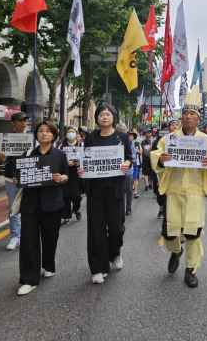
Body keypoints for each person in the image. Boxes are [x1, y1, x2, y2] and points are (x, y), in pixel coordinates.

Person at [151, 86, 207, 288]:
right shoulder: (169, 139)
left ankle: (191, 269)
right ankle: (176, 251)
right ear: (181, 117)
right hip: (174, 191)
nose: (188, 117)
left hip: (195, 193)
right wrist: (161, 159)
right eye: (185, 113)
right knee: (169, 232)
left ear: (198, 118)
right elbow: (156, 155)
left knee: (193, 232)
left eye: (192, 114)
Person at [76, 104, 132, 284]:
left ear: (113, 117)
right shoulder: (91, 137)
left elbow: (129, 157)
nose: (105, 117)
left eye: (108, 114)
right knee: (95, 229)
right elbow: (86, 159)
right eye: (101, 114)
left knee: (116, 228)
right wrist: (82, 170)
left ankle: (114, 252)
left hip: (115, 189)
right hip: (96, 190)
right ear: (97, 118)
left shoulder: (122, 137)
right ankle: (98, 268)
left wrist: (127, 164)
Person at [15, 121, 69, 296]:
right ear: (36, 135)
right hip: (30, 204)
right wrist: (17, 181)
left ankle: (48, 264)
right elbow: (18, 176)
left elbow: (67, 174)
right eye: (40, 131)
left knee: (50, 238)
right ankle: (28, 279)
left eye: (48, 131)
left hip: (52, 204)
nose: (44, 134)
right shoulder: (27, 154)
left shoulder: (60, 155)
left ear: (54, 135)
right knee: (28, 240)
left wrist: (62, 178)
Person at [0, 111, 30, 251]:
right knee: (13, 208)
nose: (23, 123)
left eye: (25, 120)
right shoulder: (7, 138)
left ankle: (28, 236)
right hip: (11, 177)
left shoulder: (32, 138)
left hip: (29, 177)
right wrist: (2, 158)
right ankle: (15, 236)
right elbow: (4, 158)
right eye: (20, 120)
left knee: (29, 209)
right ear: (13, 123)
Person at [58, 126, 83, 225]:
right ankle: (66, 217)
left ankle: (76, 209)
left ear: (76, 133)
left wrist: (75, 163)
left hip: (76, 173)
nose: (71, 133)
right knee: (65, 195)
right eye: (69, 131)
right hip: (64, 172)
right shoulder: (61, 146)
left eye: (73, 131)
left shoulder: (80, 145)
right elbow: (57, 158)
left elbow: (85, 158)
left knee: (76, 195)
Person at [116, 123, 136, 215]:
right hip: (116, 170)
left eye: (124, 130)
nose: (123, 132)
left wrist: (127, 162)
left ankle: (128, 207)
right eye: (121, 130)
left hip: (128, 170)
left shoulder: (130, 141)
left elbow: (133, 155)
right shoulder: (113, 140)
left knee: (128, 190)